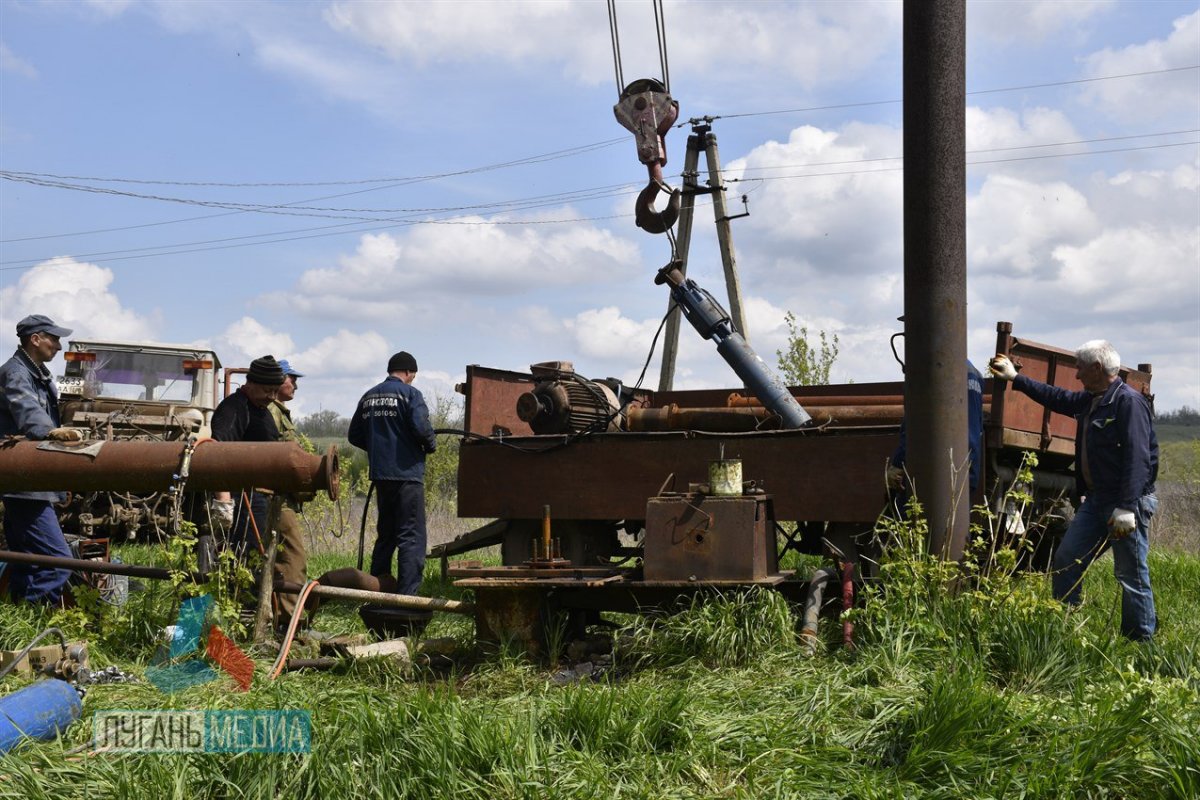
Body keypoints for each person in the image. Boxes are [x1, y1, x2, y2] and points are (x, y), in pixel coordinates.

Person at [991, 342, 1158, 640]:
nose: (1077, 375)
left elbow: (1138, 458)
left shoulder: (1128, 403)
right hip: (1096, 503)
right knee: (1066, 559)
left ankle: (1141, 642)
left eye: (1080, 367)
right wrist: (1016, 378)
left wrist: (1126, 506)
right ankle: (1066, 628)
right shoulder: (1092, 400)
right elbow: (1057, 398)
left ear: (1096, 368)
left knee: (1129, 572)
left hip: (1123, 503)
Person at [0, 314, 83, 604]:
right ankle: (36, 619)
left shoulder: (36, 371)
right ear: (35, 339)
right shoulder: (16, 373)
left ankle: (19, 622)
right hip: (25, 485)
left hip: (29, 481)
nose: (59, 346)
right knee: (60, 561)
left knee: (27, 560)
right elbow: (26, 408)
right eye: (54, 338)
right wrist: (51, 431)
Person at [348, 351, 437, 596]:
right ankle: (407, 599)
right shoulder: (410, 394)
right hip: (407, 476)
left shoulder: (368, 396)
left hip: (381, 476)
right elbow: (421, 428)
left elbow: (354, 435)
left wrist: (380, 448)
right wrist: (430, 444)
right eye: (413, 376)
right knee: (411, 537)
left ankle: (378, 590)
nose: (412, 380)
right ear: (408, 372)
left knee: (386, 534)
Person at [210, 355, 283, 559]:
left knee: (256, 555)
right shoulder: (234, 409)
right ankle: (239, 591)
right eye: (267, 390)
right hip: (242, 499)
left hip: (258, 496)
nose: (271, 396)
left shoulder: (260, 409)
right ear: (250, 384)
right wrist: (224, 501)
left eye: (275, 391)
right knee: (243, 555)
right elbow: (217, 452)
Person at [887, 360, 985, 495]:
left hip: (934, 474)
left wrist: (898, 463)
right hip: (968, 470)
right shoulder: (975, 374)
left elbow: (916, 425)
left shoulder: (926, 368)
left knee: (907, 512)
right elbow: (978, 426)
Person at [266, 359, 310, 624]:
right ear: (277, 381)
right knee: (294, 559)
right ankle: (291, 623)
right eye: (291, 379)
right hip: (276, 499)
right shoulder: (272, 412)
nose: (295, 385)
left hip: (281, 498)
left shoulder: (278, 412)